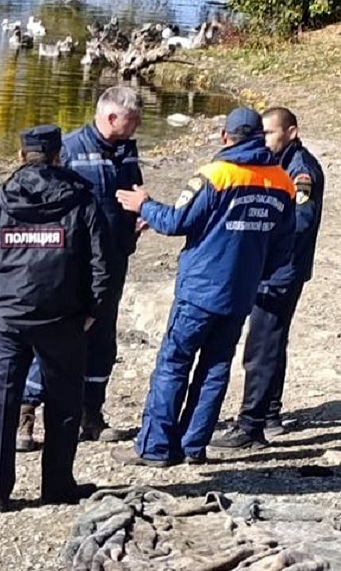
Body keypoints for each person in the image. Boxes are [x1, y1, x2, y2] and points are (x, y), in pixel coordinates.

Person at [113, 107, 295, 467]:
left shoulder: (216, 175)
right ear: (259, 136)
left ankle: (155, 448)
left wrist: (144, 205)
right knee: (215, 368)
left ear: (226, 137)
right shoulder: (283, 181)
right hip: (241, 294)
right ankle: (193, 446)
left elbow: (177, 221)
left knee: (174, 364)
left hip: (200, 291)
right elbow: (282, 248)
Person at [0, 124, 113, 511]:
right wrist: (93, 311)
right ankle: (57, 486)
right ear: (59, 157)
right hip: (63, 320)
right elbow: (104, 268)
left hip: (8, 319)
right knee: (64, 403)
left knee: (0, 403)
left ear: (21, 157)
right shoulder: (82, 203)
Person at [17, 86, 143, 451]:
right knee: (56, 340)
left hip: (114, 260)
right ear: (110, 117)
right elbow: (46, 205)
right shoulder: (70, 150)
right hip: (74, 265)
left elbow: (130, 192)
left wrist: (137, 217)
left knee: (103, 341)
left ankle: (92, 415)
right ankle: (26, 417)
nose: (136, 126)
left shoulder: (127, 151)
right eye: (132, 120)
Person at [210, 107, 325, 449]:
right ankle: (270, 412)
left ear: (291, 132)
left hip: (281, 270)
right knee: (272, 341)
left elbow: (300, 223)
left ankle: (251, 426)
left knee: (261, 345)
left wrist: (263, 243)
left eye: (271, 133)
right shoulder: (279, 164)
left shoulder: (300, 171)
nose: (265, 140)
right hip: (278, 268)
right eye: (262, 134)